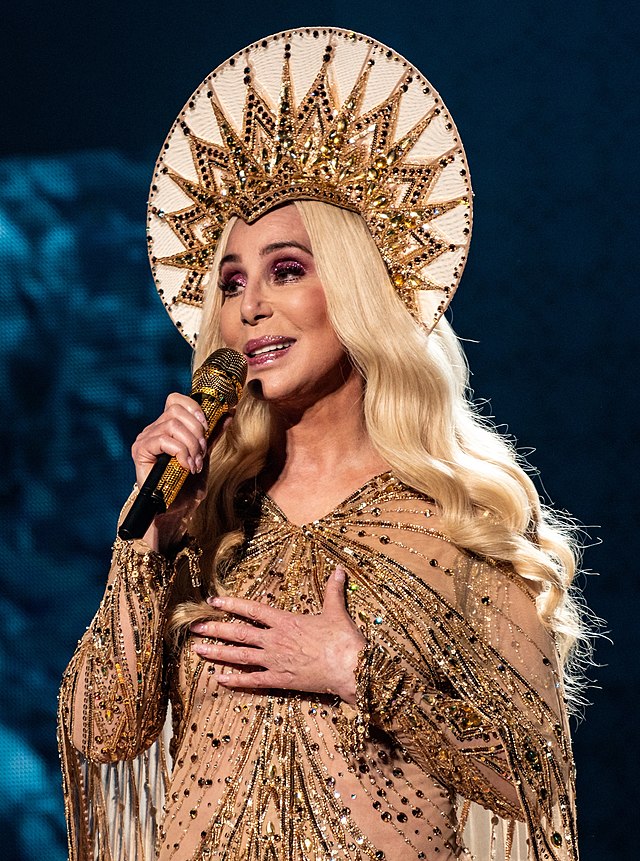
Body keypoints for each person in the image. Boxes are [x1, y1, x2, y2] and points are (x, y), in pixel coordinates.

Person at [58, 28, 588, 861]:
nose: (250, 307)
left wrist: (358, 671)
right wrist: (148, 540)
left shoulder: (458, 517)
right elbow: (101, 732)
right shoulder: (204, 518)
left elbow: (535, 774)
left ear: (357, 289)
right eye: (231, 282)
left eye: (287, 269)